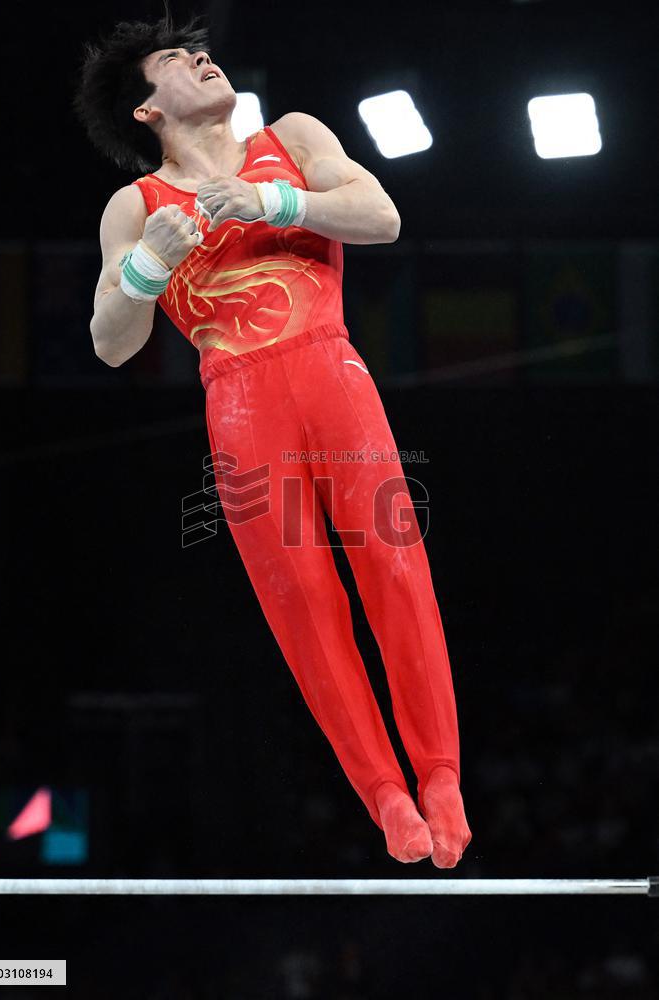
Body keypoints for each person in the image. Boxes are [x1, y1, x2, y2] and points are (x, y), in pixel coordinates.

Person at [74, 11, 472, 867]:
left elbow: (381, 216)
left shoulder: (290, 139)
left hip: (335, 375)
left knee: (397, 569)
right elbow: (112, 343)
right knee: (303, 605)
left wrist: (272, 200)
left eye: (202, 49)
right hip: (241, 405)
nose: (202, 58)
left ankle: (440, 775)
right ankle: (385, 795)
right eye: (178, 59)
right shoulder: (134, 206)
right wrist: (148, 263)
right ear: (148, 110)